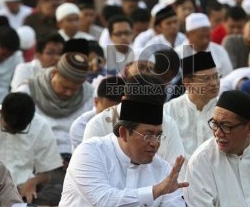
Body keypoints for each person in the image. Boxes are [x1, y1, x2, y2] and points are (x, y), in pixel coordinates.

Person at [59, 98, 188, 206]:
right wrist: (156, 191)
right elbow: (104, 201)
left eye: (158, 135)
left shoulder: (163, 170)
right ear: (124, 133)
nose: (155, 143)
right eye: (148, 135)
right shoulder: (90, 152)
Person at [83, 74, 184, 166]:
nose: (154, 143)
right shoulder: (98, 125)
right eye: (147, 135)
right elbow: (91, 174)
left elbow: (175, 173)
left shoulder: (168, 124)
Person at [0, 92, 63, 205]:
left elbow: (48, 172)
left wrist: (33, 181)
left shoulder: (41, 125)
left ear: (31, 119)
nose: (13, 133)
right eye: (9, 128)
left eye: (18, 131)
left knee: (59, 191)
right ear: (0, 112)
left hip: (23, 191)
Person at [164, 51, 219, 161]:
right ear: (187, 83)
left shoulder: (225, 109)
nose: (214, 83)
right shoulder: (169, 110)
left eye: (216, 77)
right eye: (206, 79)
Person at [69, 76, 125, 151]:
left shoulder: (134, 125)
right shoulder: (80, 126)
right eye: (106, 112)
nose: (111, 117)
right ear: (96, 102)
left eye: (116, 113)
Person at [175, 13, 232, 77]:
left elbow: (228, 77)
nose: (205, 41)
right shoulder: (177, 54)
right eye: (201, 37)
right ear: (188, 35)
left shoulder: (219, 50)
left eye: (207, 37)